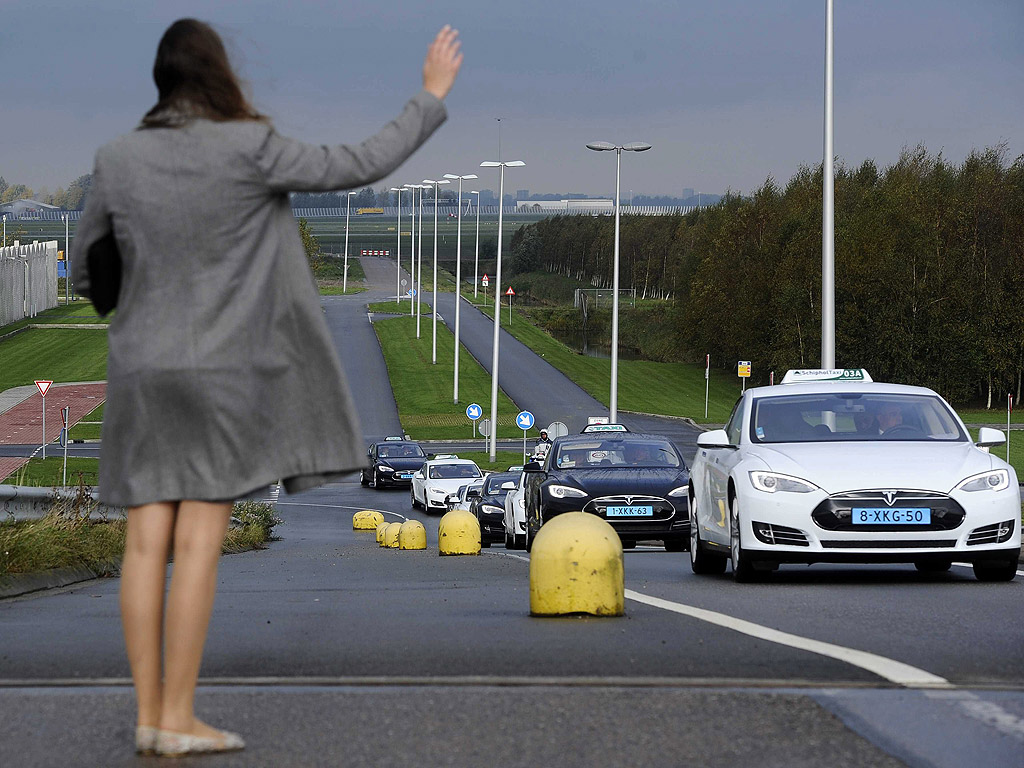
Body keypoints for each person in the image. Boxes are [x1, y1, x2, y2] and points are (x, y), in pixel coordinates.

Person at [71, 19, 461, 757]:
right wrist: (430, 95)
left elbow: (88, 263)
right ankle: (180, 718)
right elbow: (358, 162)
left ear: (161, 81)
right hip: (221, 376)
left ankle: (149, 715)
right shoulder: (250, 147)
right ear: (219, 74)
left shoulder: (116, 158)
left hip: (142, 372)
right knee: (200, 543)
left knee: (144, 544)